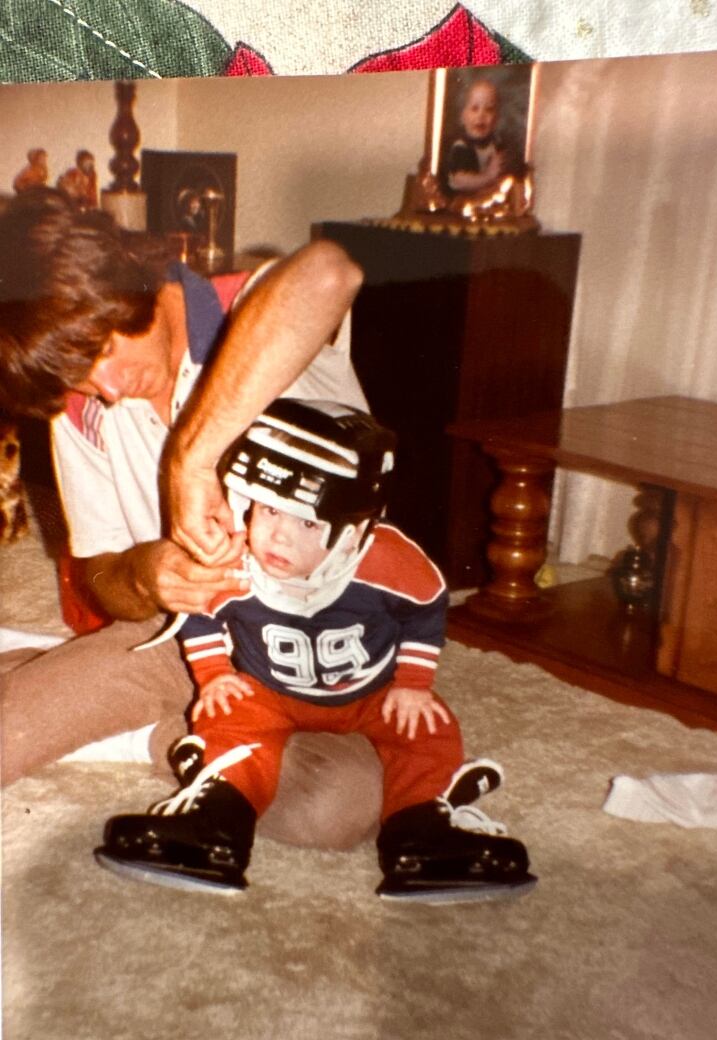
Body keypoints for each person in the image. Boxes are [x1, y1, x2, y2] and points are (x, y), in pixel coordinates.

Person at [0, 187, 383, 850]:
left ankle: (113, 715)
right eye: (83, 379)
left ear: (116, 281)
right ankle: (85, 696)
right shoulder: (85, 404)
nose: (109, 389)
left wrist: (191, 458)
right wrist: (150, 573)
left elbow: (330, 272)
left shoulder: (246, 310)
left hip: (315, 649)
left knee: (336, 806)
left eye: (103, 351)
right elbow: (102, 577)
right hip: (177, 638)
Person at [95, 399, 535, 901]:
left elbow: (425, 608)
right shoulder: (234, 561)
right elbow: (199, 611)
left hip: (370, 693)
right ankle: (217, 824)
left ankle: (421, 831)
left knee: (427, 726)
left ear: (352, 533)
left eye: (306, 523)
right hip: (270, 690)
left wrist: (414, 683)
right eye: (269, 510)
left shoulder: (391, 562)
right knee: (231, 714)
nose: (278, 534)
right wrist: (215, 672)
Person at [444, 78, 508, 195]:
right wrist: (488, 177)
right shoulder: (462, 147)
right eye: (474, 108)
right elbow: (459, 180)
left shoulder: (497, 144)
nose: (481, 115)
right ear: (463, 117)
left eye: (489, 109)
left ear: (497, 118)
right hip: (462, 201)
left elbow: (502, 173)